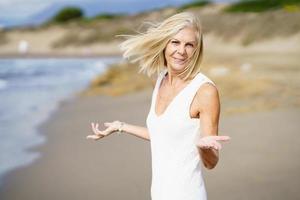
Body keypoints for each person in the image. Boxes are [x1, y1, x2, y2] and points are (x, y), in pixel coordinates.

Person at [87, 12, 230, 200]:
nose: (181, 51)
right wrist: (120, 126)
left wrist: (203, 148)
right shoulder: (160, 79)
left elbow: (212, 163)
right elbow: (163, 135)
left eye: (189, 45)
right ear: (164, 43)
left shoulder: (204, 91)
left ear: (196, 50)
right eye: (175, 42)